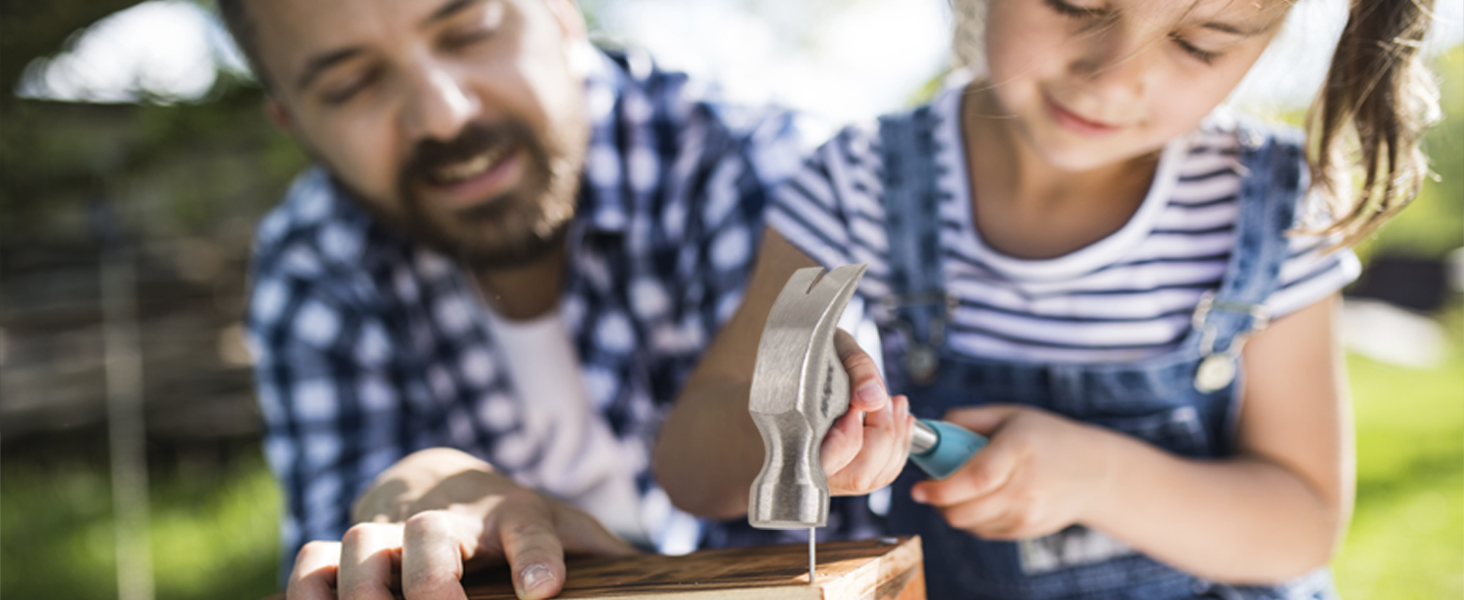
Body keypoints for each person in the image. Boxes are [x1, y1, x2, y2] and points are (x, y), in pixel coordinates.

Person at [655, 0, 1438, 597]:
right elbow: (691, 466)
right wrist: (798, 428)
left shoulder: (1269, 209)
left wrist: (1099, 479)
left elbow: (1299, 523)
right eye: (1076, 3)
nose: (1115, 73)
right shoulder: (858, 184)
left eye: (1199, 42)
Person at [220, 0, 810, 597]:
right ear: (294, 123)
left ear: (560, 12)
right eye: (352, 84)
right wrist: (398, 499)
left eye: (470, 32)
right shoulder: (314, 263)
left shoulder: (756, 170)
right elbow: (338, 564)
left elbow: (836, 533)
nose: (443, 116)